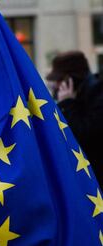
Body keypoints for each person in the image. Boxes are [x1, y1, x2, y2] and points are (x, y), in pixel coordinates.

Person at [46, 50, 103, 186]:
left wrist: (68, 103)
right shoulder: (77, 94)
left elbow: (84, 133)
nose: (56, 85)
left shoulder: (97, 94)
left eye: (59, 80)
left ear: (70, 79)